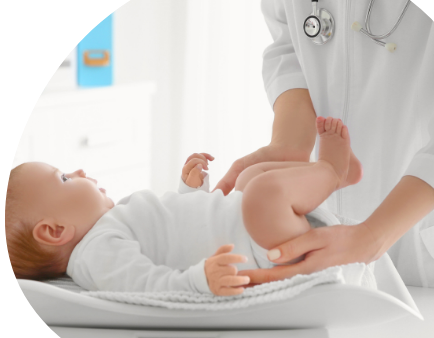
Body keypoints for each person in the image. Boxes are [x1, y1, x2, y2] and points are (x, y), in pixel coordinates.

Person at [215, 0, 434, 291]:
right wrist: (290, 143)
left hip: (428, 240)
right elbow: (289, 42)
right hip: (321, 219)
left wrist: (374, 235)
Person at [6, 117, 375, 295]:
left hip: (250, 227)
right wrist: (200, 280)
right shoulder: (96, 255)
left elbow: (176, 232)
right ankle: (330, 170)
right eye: (64, 178)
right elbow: (149, 287)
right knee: (262, 193)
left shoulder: (108, 227)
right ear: (54, 231)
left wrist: (190, 190)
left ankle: (330, 177)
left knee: (251, 179)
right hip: (262, 248)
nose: (79, 171)